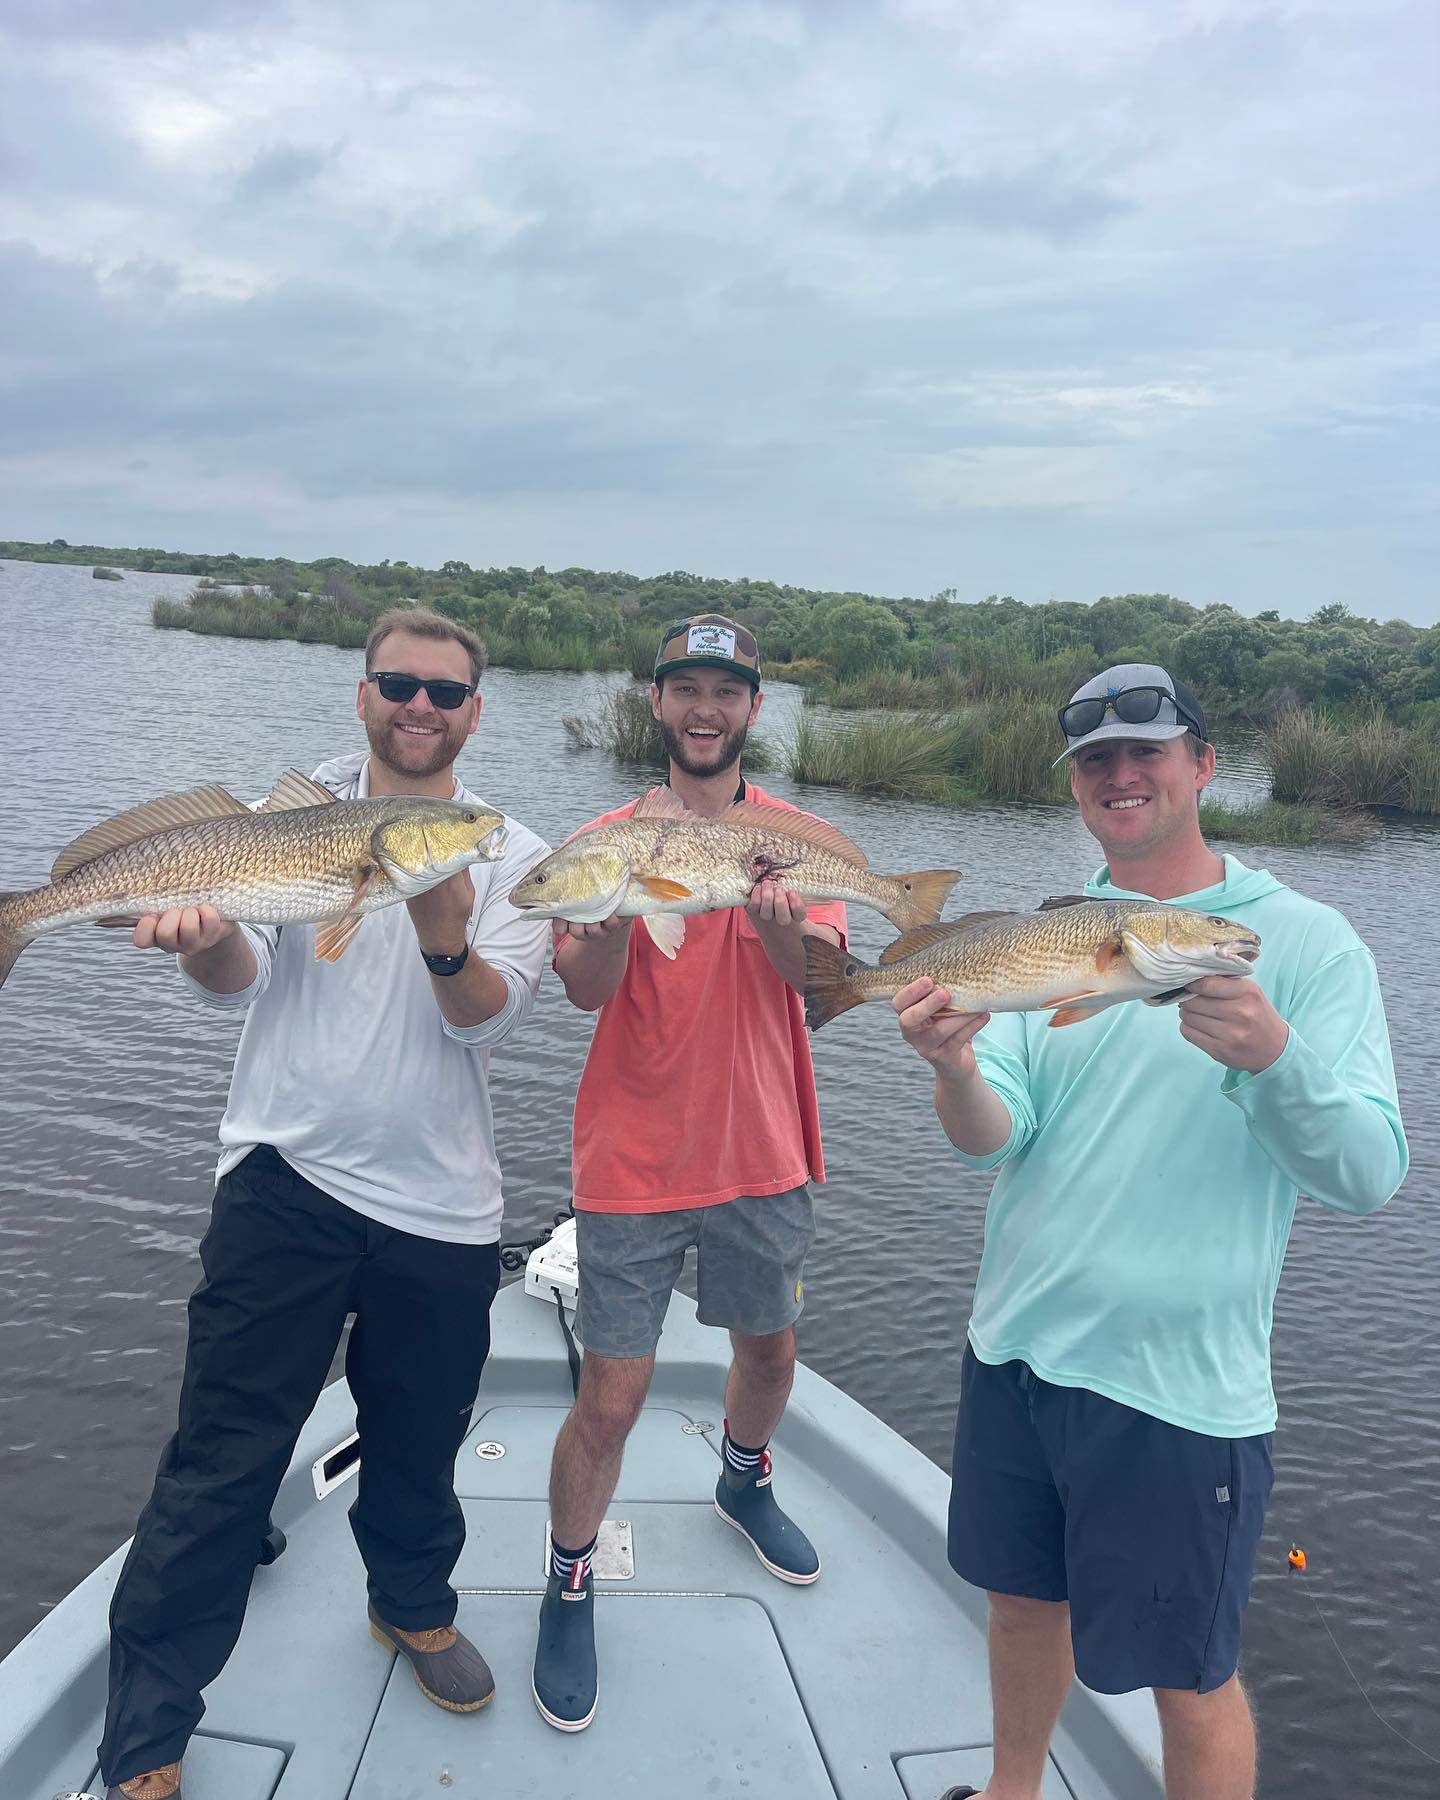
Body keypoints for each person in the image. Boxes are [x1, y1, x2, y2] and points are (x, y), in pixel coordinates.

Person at [891, 663, 1408, 1800]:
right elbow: (993, 1139)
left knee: (1189, 1673)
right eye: (1096, 760)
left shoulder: (1306, 947)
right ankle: (1014, 1791)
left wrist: (1274, 1060)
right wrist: (954, 1067)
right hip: (1016, 1351)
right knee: (1023, 1604)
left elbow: (1370, 1176)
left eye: (1148, 751)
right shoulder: (1052, 936)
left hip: (1179, 1390)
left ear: (1203, 767)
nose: (1122, 775)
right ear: (1077, 786)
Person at [99, 608, 552, 1800]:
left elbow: (488, 1021)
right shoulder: (278, 825)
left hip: (444, 1210)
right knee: (220, 1459)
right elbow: (237, 968)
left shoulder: (506, 848)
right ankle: (146, 1728)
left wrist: (445, 934)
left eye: (445, 693)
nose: (420, 706)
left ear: (474, 713)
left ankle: (412, 1608)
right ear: (361, 695)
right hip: (285, 1182)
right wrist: (197, 942)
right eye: (398, 684)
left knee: (419, 1446)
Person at [529, 613, 847, 1733]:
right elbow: (581, 988)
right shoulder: (602, 837)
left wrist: (775, 926)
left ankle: (744, 1475)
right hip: (633, 1154)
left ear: (754, 708)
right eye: (685, 690)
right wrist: (611, 914)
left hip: (765, 1147)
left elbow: (822, 984)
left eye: (727, 690)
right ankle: (568, 1579)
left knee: (769, 1351)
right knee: (610, 1398)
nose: (705, 709)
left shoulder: (800, 840)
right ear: (657, 704)